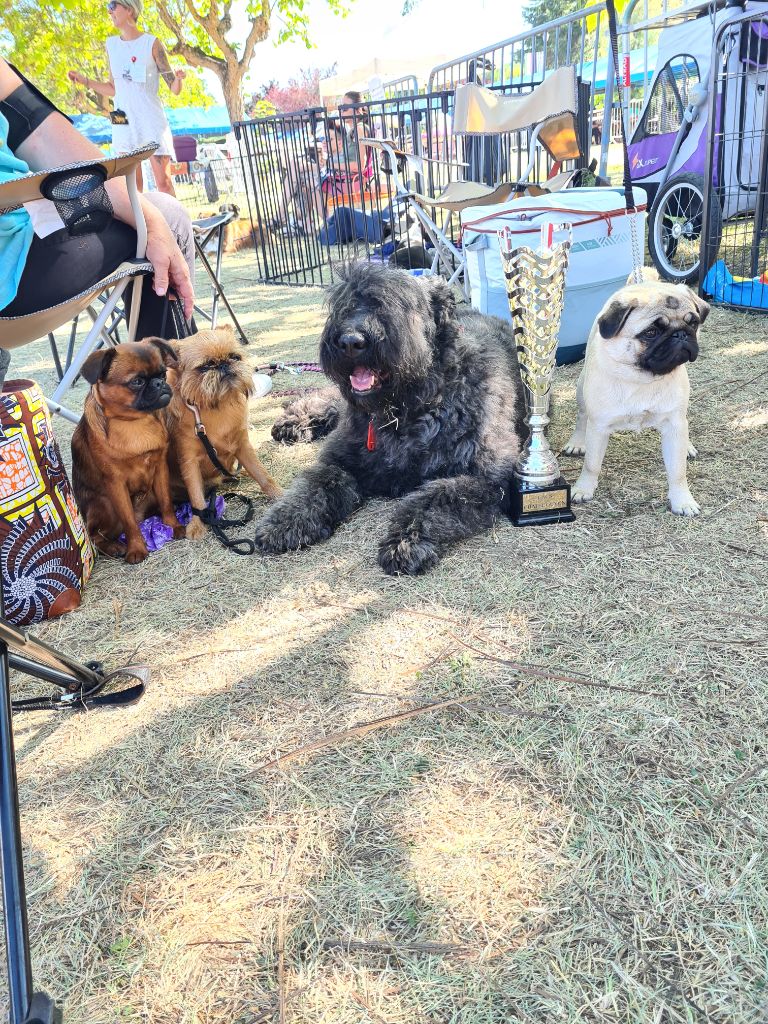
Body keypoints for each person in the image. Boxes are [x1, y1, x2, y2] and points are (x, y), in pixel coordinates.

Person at [0, 59, 194, 383]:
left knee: (160, 215)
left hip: (24, 241)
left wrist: (151, 221)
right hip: (15, 270)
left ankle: (167, 399)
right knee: (167, 215)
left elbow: (40, 132)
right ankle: (181, 407)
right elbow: (39, 132)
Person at [67, 0, 185, 196]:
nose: (109, 11)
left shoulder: (152, 43)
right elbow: (113, 89)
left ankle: (177, 227)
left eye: (113, 5)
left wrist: (179, 79)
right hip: (120, 117)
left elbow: (174, 88)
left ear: (129, 9)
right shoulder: (111, 45)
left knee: (163, 184)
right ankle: (142, 227)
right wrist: (84, 80)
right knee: (132, 188)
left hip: (150, 118)